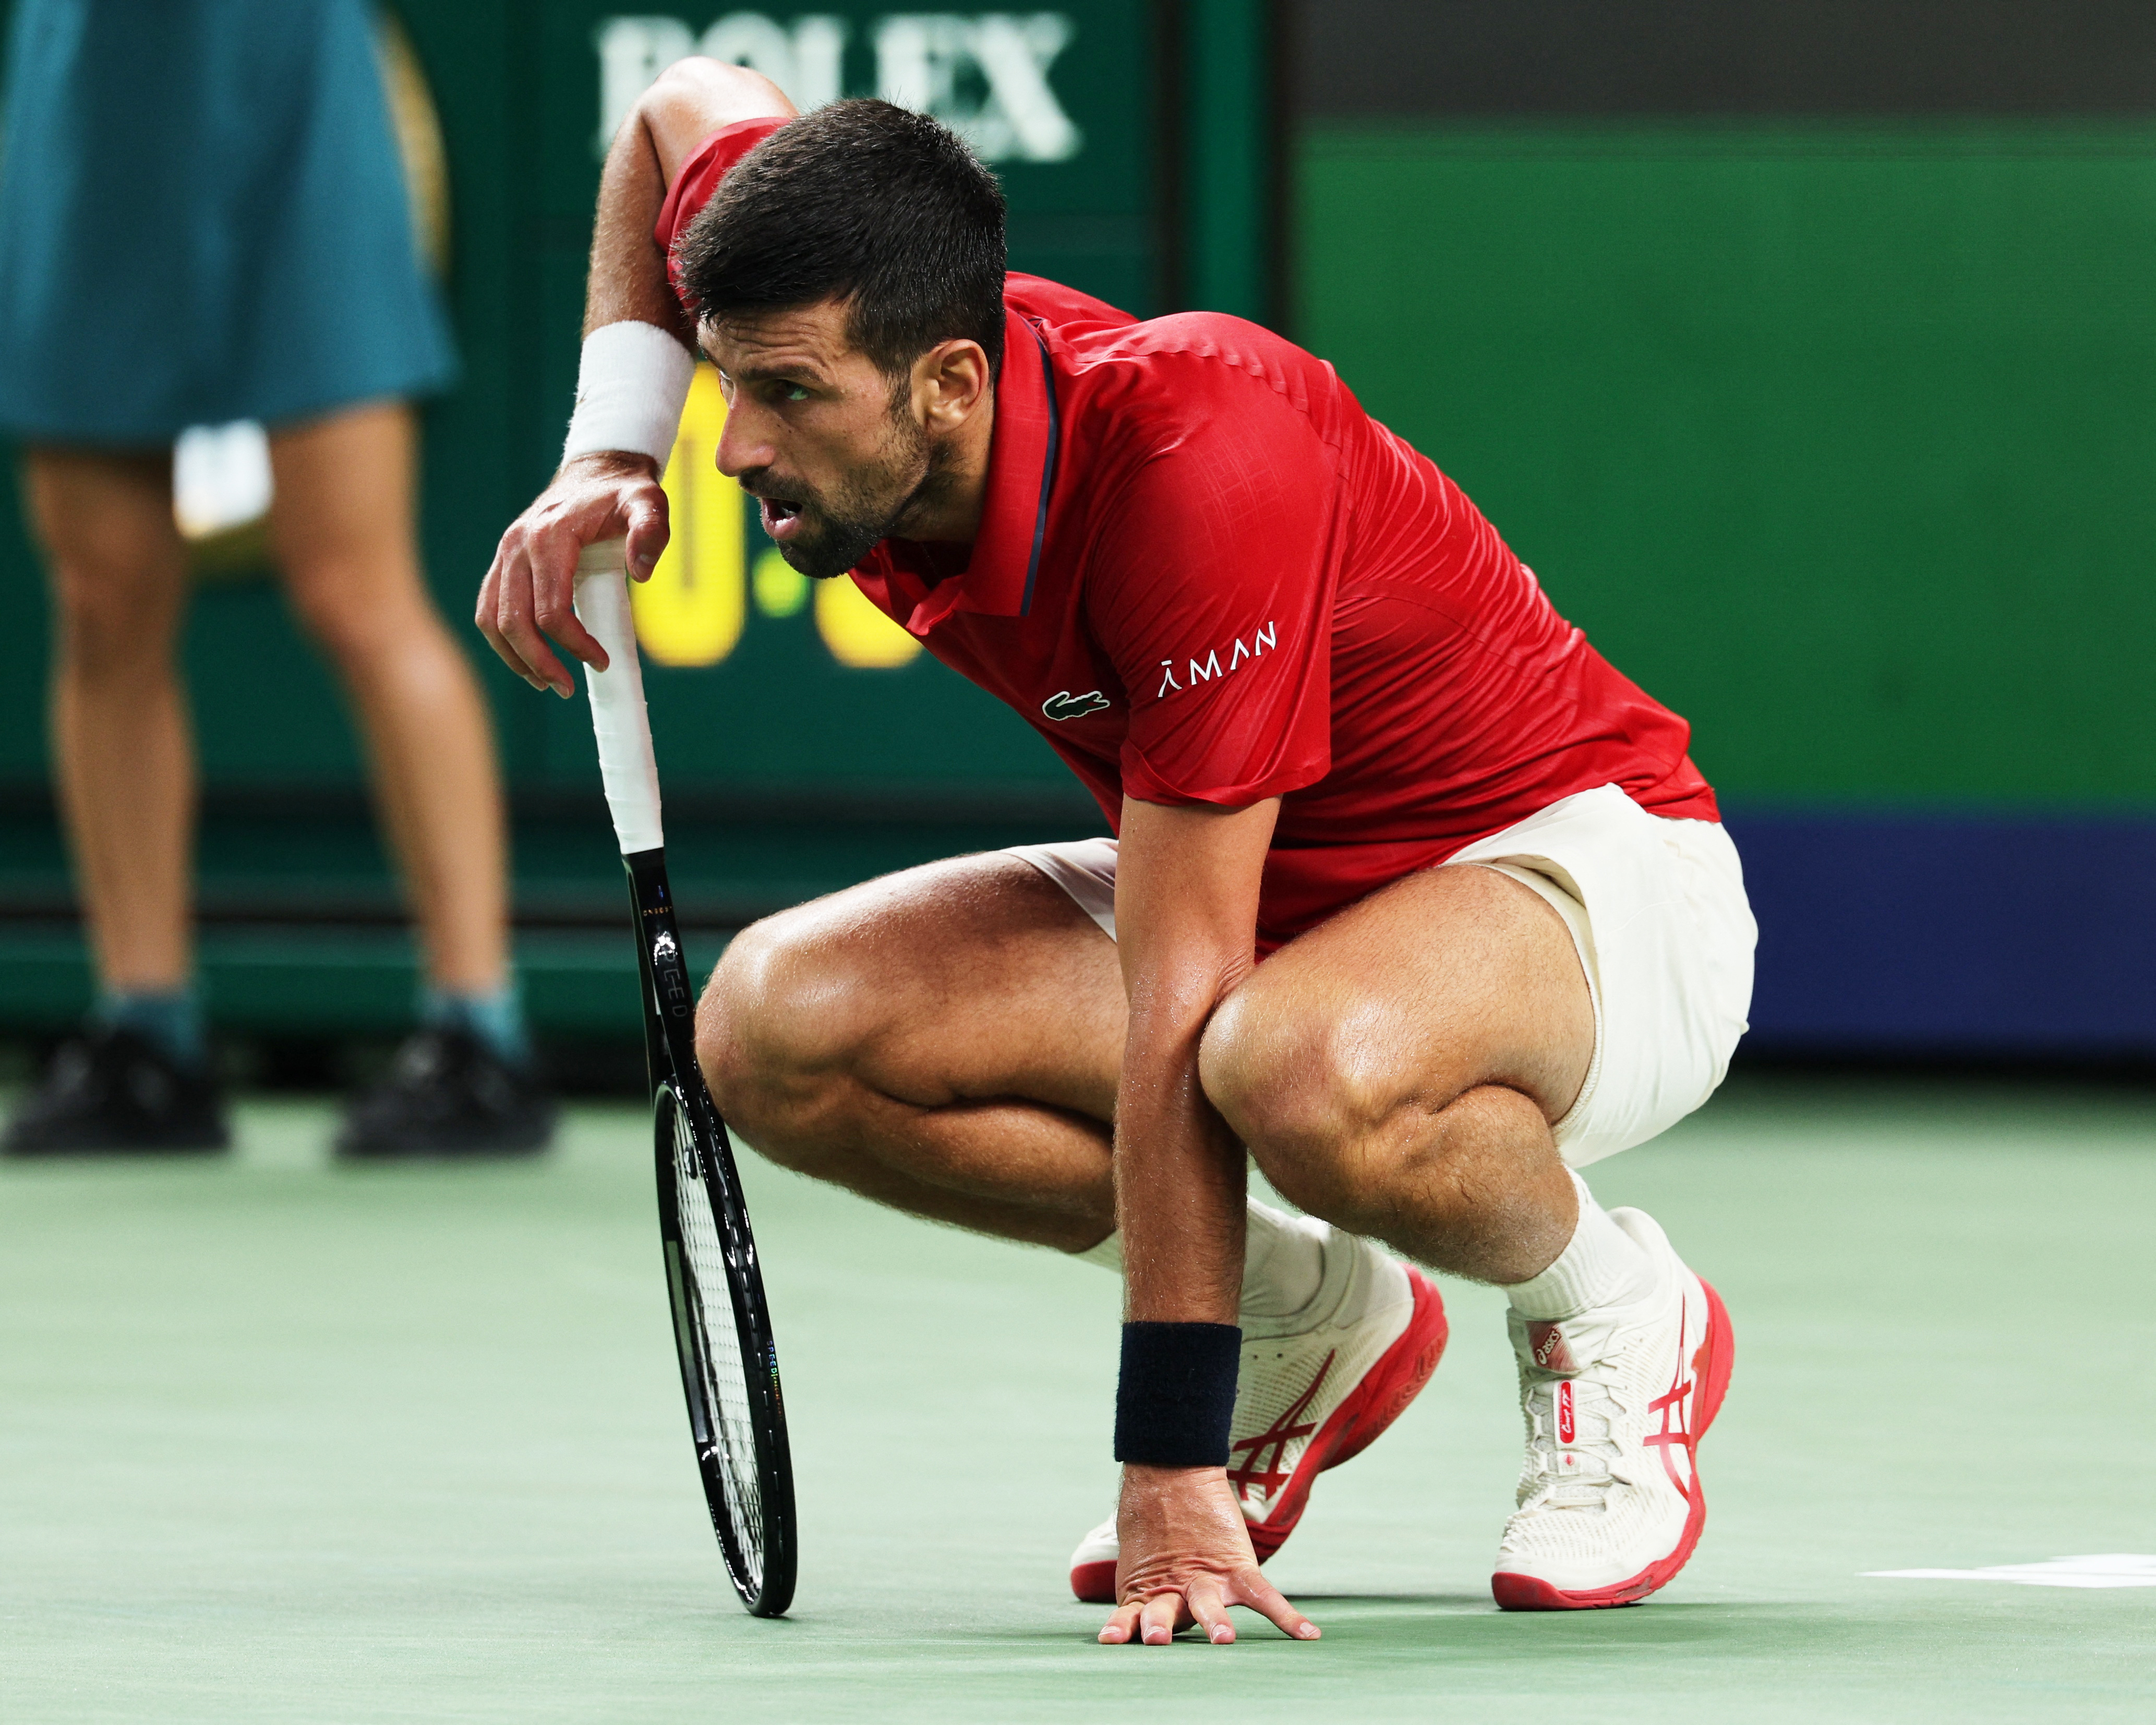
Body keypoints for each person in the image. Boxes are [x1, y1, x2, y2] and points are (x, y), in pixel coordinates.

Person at [479, 64, 1755, 1644]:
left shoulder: (1198, 451)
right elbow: (677, 109)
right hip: (1267, 887)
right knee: (771, 1030)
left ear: (948, 383)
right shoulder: (856, 297)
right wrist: (605, 454)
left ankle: (1613, 1309)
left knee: (1280, 1066)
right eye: (724, 382)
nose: (733, 447)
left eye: (787, 394)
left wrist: (1165, 1456)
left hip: (1585, 879)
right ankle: (1314, 1319)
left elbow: (1182, 994)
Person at [0, 0, 553, 1156]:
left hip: (289, 78)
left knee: (355, 595)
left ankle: (478, 1033)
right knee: (101, 604)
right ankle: (146, 1035)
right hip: (91, 95)